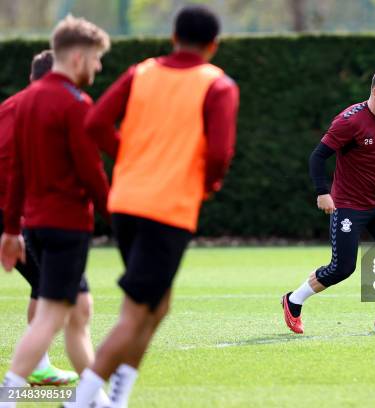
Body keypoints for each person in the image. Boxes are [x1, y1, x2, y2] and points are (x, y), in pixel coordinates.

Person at [69, 5, 239, 407]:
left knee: (158, 306)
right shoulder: (218, 85)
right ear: (213, 45)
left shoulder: (140, 72)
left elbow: (95, 123)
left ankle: (120, 395)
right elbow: (219, 153)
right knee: (136, 314)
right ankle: (79, 401)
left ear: (173, 37)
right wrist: (208, 184)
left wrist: (126, 157)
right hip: (167, 209)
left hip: (126, 203)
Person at [0, 15, 111, 408]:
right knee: (51, 317)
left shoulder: (21, 103)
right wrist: (117, 215)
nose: (98, 67)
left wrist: (12, 228)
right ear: (78, 57)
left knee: (79, 310)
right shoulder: (75, 102)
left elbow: (15, 175)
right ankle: (8, 396)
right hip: (66, 225)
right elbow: (91, 171)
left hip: (35, 225)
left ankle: (94, 398)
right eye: (97, 59)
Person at [282, 66, 375, 334]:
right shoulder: (349, 121)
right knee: (342, 268)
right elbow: (317, 157)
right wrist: (322, 191)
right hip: (349, 205)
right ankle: (293, 301)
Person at [0, 49, 80, 386]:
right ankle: (18, 384)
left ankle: (37, 368)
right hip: (11, 215)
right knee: (52, 289)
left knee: (45, 285)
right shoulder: (44, 108)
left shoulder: (9, 106)